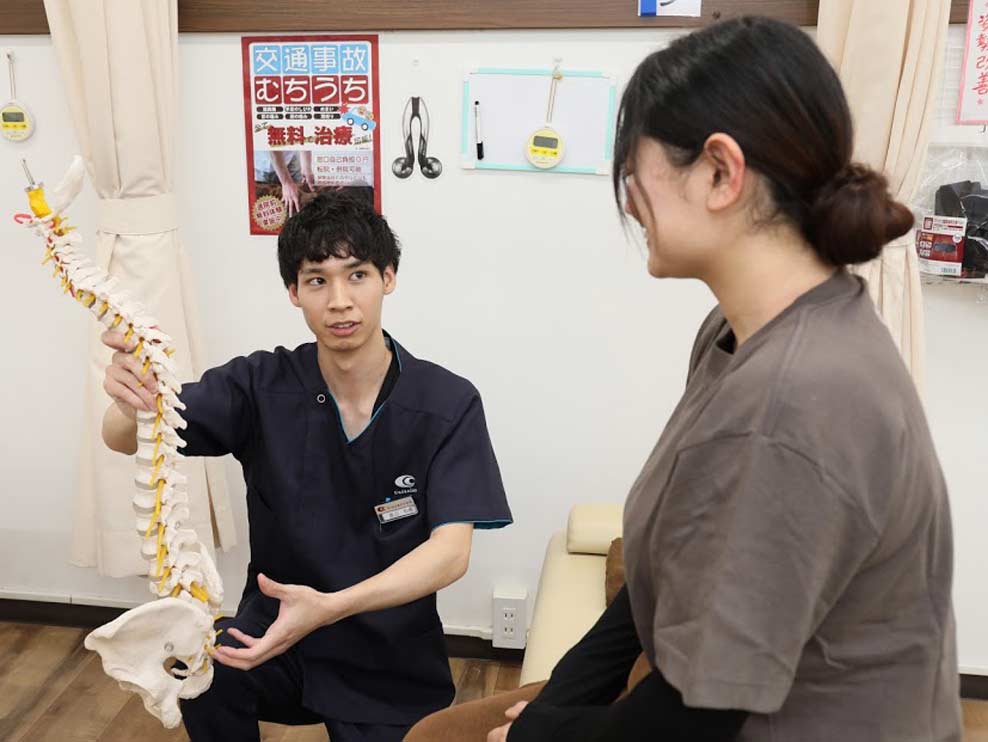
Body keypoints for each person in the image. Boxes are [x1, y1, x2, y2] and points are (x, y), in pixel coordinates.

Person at [407, 16, 961, 742]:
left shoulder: (796, 396)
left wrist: (537, 736)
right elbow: (654, 581)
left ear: (721, 173)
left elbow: (699, 717)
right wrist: (556, 704)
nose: (629, 202)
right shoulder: (736, 337)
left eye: (633, 176)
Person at [100, 191, 513, 742]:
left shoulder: (447, 402)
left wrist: (329, 608)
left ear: (388, 278)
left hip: (387, 658)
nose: (340, 300)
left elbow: (450, 553)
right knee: (200, 674)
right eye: (317, 280)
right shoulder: (261, 385)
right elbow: (124, 438)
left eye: (357, 275)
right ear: (294, 292)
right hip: (275, 638)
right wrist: (130, 401)